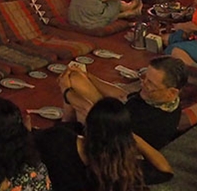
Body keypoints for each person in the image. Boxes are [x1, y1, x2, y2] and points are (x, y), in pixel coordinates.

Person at [34, 97, 172, 191]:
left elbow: (26, 141)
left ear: (89, 122)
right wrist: (132, 137)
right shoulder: (116, 169)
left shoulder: (60, 138)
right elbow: (165, 170)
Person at [58, 55, 187, 151]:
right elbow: (122, 95)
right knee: (75, 77)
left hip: (106, 142)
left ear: (172, 92)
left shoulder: (149, 118)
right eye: (145, 78)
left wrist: (66, 91)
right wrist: (88, 76)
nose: (143, 84)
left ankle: (64, 129)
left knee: (74, 83)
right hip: (111, 119)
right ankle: (65, 126)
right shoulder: (164, 100)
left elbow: (91, 112)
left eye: (150, 84)